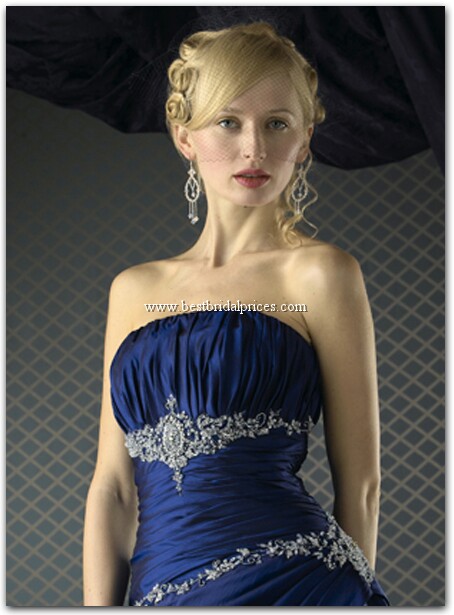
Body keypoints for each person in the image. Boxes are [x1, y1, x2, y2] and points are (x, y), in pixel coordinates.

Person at [83, 21, 390, 606]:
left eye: (277, 124)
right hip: (160, 589)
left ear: (304, 140)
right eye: (229, 121)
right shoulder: (134, 290)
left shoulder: (320, 275)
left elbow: (362, 486)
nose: (255, 148)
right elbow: (114, 490)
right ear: (184, 135)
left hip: (296, 584)